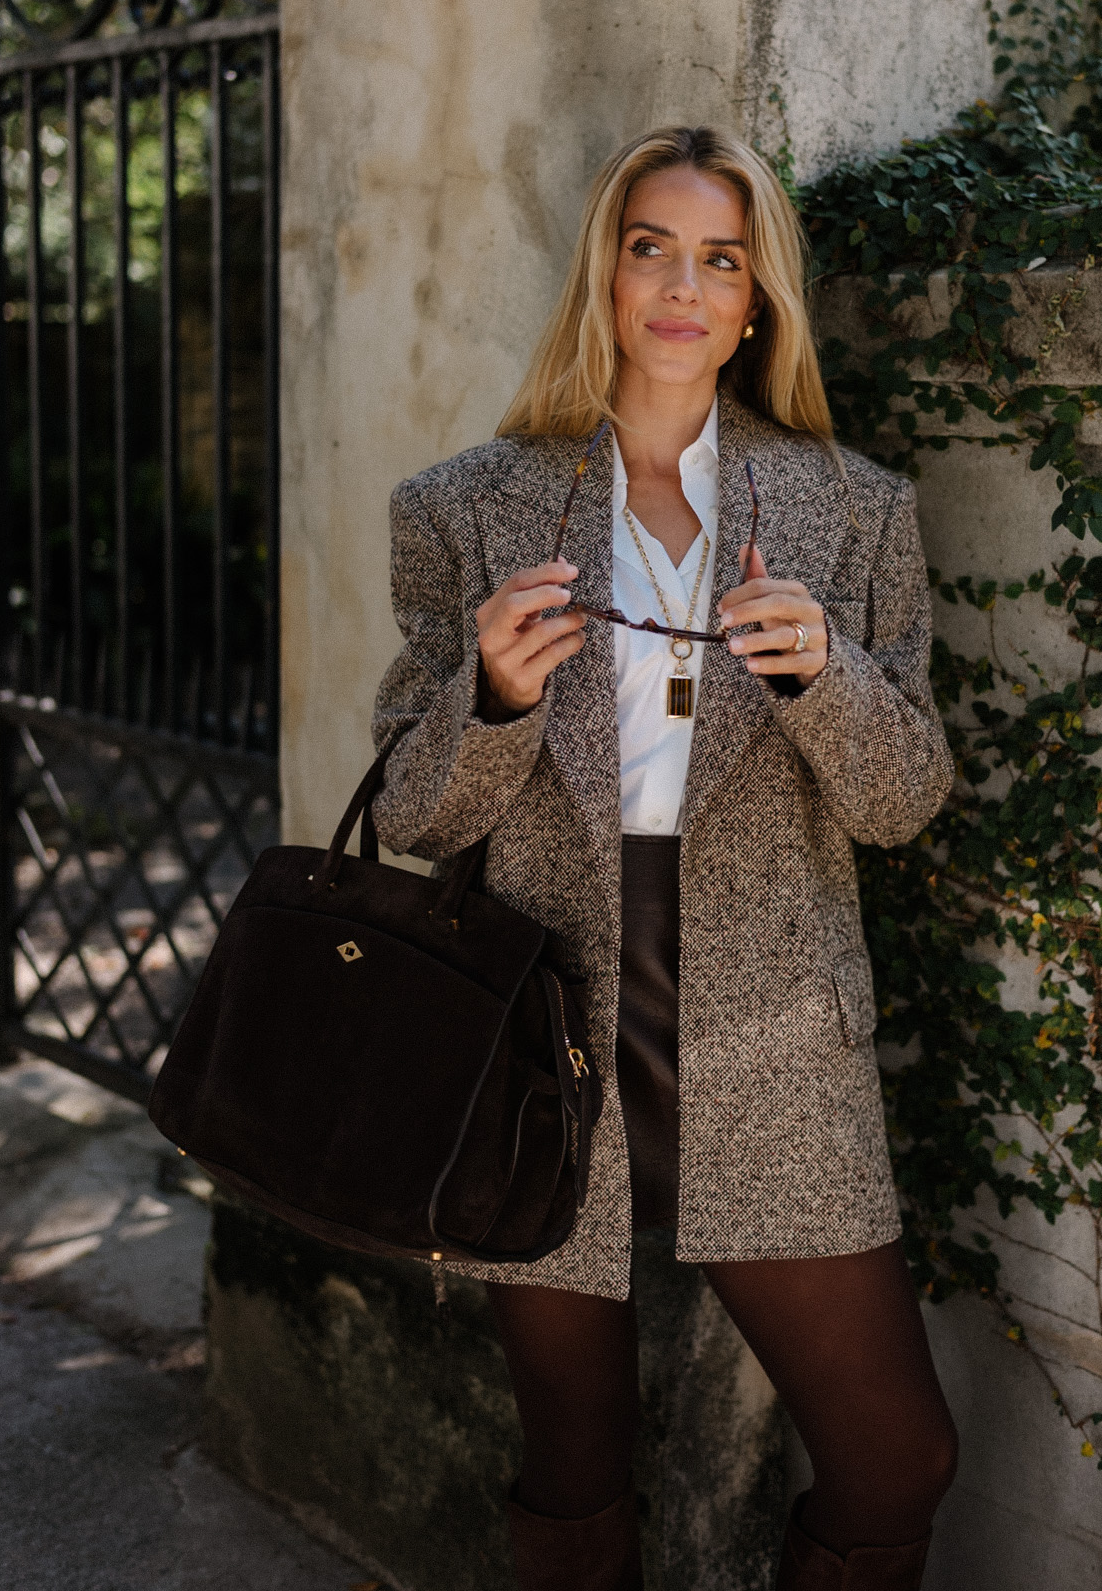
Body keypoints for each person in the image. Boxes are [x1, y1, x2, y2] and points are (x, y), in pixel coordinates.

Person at [371, 125, 958, 1591]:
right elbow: (407, 815)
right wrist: (493, 698)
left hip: (772, 1026)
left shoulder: (854, 508)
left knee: (896, 1458)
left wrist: (831, 677)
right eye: (652, 249)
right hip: (546, 1021)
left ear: (758, 298)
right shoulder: (463, 508)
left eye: (721, 257)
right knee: (575, 1451)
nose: (683, 287)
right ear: (606, 274)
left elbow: (903, 802)